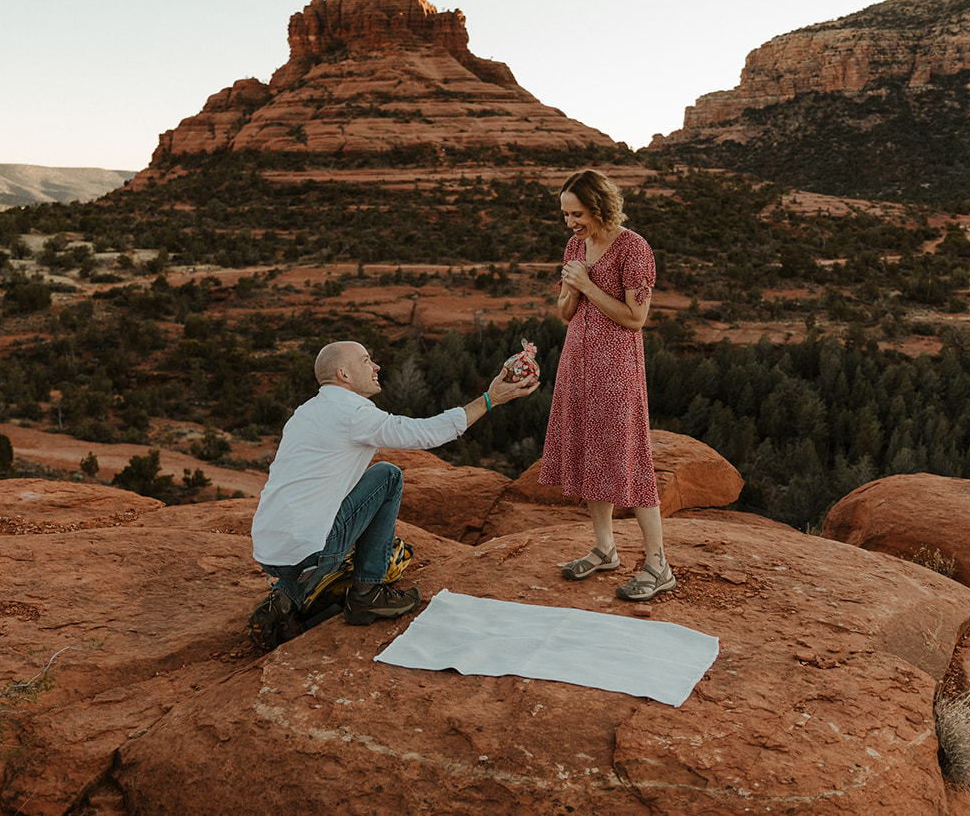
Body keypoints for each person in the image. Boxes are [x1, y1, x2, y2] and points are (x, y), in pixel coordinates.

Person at [251, 340, 539, 627]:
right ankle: (368, 593)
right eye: (366, 361)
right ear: (344, 374)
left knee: (331, 507)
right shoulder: (353, 412)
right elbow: (427, 433)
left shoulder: (304, 412)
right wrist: (490, 399)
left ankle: (287, 593)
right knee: (387, 476)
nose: (376, 366)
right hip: (308, 552)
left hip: (270, 551)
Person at [539, 168, 671, 601]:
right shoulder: (577, 245)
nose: (569, 223)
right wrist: (573, 290)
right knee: (591, 454)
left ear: (598, 206)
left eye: (575, 213)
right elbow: (563, 311)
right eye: (565, 214)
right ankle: (605, 548)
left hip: (616, 368)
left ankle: (658, 564)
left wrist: (587, 285)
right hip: (578, 361)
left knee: (626, 458)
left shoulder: (634, 249)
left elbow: (635, 319)